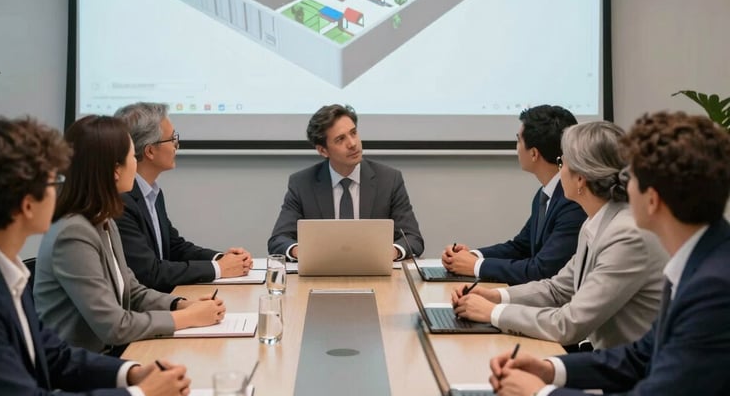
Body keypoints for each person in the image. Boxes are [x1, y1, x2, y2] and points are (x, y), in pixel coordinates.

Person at [489, 112, 730, 396]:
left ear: (651, 200)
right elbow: (639, 357)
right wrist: (550, 369)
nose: (620, 185)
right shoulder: (701, 259)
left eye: (629, 177)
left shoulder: (713, 287)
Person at [0, 117, 191, 396]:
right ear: (28, 203)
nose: (60, 191)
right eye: (54, 182)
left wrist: (132, 373)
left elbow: (52, 355)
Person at [451, 121, 668, 350]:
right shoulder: (595, 221)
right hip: (605, 362)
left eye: (561, 162)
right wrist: (495, 296)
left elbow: (569, 324)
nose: (559, 170)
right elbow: (558, 289)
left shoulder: (627, 235)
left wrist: (493, 312)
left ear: (581, 178)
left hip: (631, 374)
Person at [34, 115, 225, 354]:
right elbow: (115, 327)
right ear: (116, 170)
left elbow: (132, 291)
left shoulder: (102, 218)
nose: (136, 163)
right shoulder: (73, 233)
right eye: (132, 155)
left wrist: (182, 304)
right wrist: (186, 318)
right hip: (83, 369)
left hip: (109, 356)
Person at [114, 102, 252, 293]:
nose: (176, 146)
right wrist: (219, 269)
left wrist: (221, 258)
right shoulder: (121, 201)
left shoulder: (152, 192)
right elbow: (149, 273)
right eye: (172, 139)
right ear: (150, 151)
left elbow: (174, 247)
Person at [442, 104, 585, 284]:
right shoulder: (546, 193)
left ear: (534, 153)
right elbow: (521, 247)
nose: (516, 147)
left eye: (518, 140)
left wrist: (477, 266)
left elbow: (542, 270)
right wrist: (470, 256)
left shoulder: (572, 201)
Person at [268, 104, 424, 260]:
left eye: (353, 133)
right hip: (321, 274)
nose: (353, 144)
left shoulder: (389, 180)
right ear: (323, 151)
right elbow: (278, 239)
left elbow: (413, 238)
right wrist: (300, 251)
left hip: (375, 274)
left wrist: (392, 251)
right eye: (340, 139)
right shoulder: (302, 184)